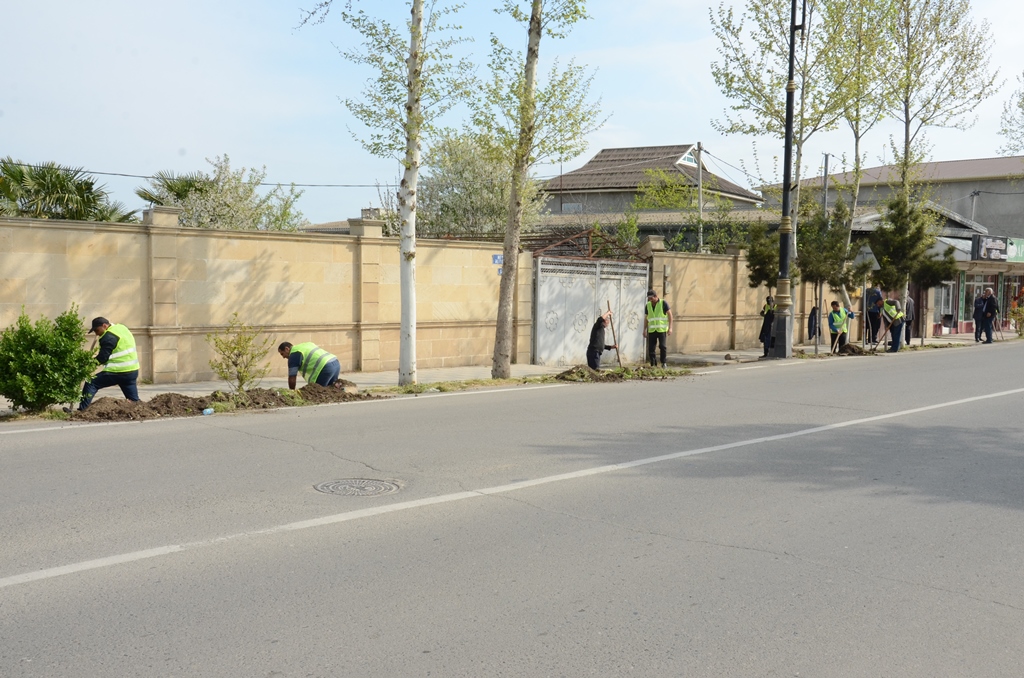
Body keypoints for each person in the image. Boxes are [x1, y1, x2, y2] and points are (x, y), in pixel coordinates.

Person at [75, 317, 140, 411]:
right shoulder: (121, 328)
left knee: (91, 383)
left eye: (97, 330)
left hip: (117, 371)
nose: (96, 333)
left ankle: (82, 410)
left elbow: (102, 358)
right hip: (132, 371)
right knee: (134, 401)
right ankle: (140, 410)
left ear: (104, 326)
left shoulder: (108, 337)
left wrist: (88, 365)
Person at [278, 341, 342, 389]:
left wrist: (292, 392)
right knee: (333, 389)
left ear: (287, 349)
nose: (283, 357)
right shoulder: (305, 345)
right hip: (335, 363)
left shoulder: (294, 355)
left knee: (317, 392)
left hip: (325, 368)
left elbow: (292, 377)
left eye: (282, 354)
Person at [643, 289, 673, 368]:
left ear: (656, 296)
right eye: (649, 298)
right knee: (651, 348)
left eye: (651, 298)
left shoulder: (663, 303)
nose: (650, 300)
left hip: (661, 330)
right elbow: (646, 318)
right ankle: (653, 364)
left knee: (662, 346)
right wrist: (644, 330)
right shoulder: (648, 305)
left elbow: (670, 315)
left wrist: (670, 328)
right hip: (652, 330)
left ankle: (663, 363)